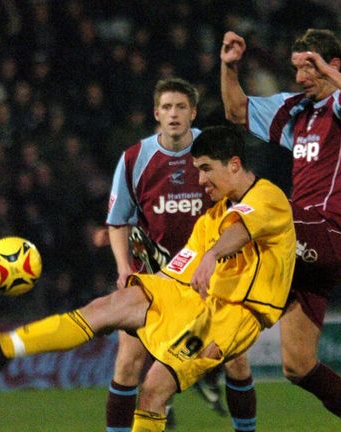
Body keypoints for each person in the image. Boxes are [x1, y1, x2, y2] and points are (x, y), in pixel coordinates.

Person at [0, 125, 297, 432]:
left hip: (233, 315)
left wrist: (212, 255)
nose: (201, 181)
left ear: (234, 164)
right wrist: (147, 282)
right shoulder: (211, 218)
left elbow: (240, 231)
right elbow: (177, 275)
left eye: (206, 170)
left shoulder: (268, 197)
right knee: (110, 305)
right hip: (192, 298)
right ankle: (4, 347)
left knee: (153, 390)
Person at [220, 29, 341, 432]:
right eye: (297, 68)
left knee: (254, 204)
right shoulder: (295, 110)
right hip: (301, 244)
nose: (300, 77)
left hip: (328, 233)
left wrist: (330, 75)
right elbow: (236, 111)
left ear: (332, 65)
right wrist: (229, 67)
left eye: (310, 67)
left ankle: (196, 287)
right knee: (298, 365)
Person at [104, 77, 217, 430]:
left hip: (203, 279)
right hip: (150, 277)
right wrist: (123, 268)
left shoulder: (213, 150)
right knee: (127, 364)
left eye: (181, 107)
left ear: (193, 113)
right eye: (167, 107)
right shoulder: (135, 158)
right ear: (156, 113)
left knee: (237, 361)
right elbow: (117, 221)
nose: (173, 114)